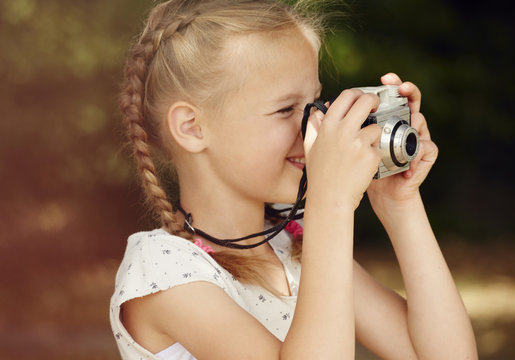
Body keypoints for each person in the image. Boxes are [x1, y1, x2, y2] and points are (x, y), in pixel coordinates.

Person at [110, 0, 477, 359]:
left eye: (315, 102)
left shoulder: (292, 241)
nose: (315, 125)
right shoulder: (162, 272)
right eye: (286, 109)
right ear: (192, 128)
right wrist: (330, 204)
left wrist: (398, 203)